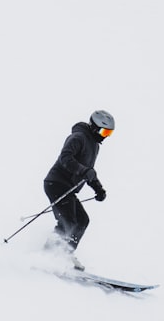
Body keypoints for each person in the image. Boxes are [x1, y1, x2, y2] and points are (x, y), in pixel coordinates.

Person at [43, 110, 114, 271]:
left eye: (109, 133)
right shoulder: (78, 137)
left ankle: (65, 253)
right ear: (94, 127)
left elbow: (89, 171)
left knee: (82, 220)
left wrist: (98, 188)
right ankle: (47, 256)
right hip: (56, 183)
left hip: (68, 188)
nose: (106, 136)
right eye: (104, 131)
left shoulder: (95, 146)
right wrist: (83, 171)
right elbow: (65, 158)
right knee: (68, 221)